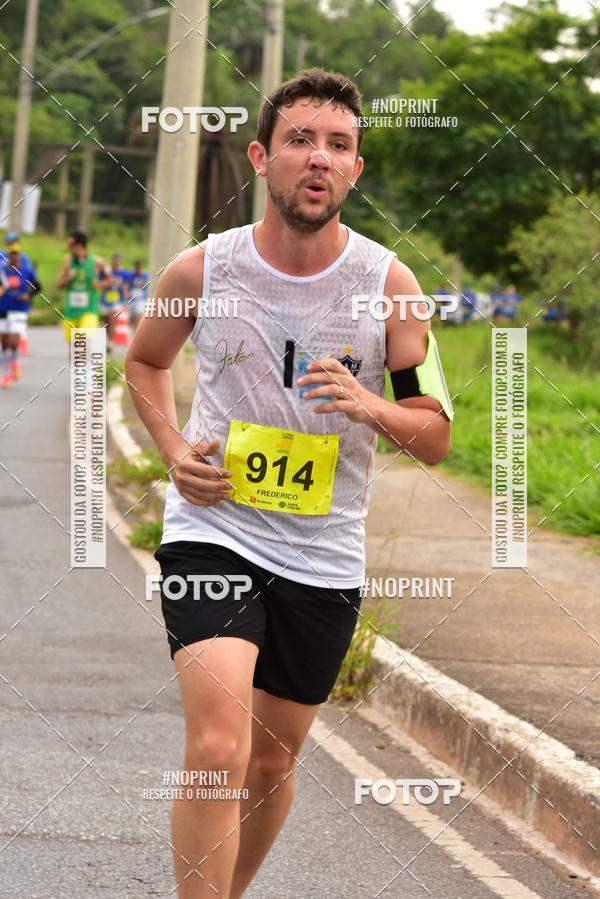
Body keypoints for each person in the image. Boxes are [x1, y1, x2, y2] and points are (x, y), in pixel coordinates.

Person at [125, 68, 453, 899]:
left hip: (323, 551)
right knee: (215, 747)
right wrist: (171, 447)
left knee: (272, 761)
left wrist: (370, 404)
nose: (320, 157)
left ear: (355, 171)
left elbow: (438, 436)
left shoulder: (392, 289)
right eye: (301, 139)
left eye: (339, 145)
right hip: (216, 528)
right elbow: (145, 363)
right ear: (261, 157)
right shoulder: (202, 270)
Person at [57, 231, 106, 351]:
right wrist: (68, 277)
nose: (68, 248)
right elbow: (59, 285)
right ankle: (77, 369)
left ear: (79, 245)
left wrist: (99, 283)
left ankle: (89, 369)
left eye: (70, 245)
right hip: (71, 312)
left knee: (83, 343)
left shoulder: (97, 262)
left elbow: (110, 279)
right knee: (73, 349)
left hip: (89, 310)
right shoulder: (67, 261)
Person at [0, 244, 35, 386]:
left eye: (16, 254)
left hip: (19, 311)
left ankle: (12, 365)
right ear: (8, 256)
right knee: (4, 343)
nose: (13, 256)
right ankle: (7, 373)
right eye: (11, 254)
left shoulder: (25, 271)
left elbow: (37, 286)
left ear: (19, 255)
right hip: (3, 309)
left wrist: (28, 294)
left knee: (13, 342)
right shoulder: (2, 272)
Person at [100, 252, 128, 351]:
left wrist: (126, 295)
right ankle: (109, 339)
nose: (116, 263)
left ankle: (111, 341)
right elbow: (99, 282)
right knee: (106, 321)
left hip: (117, 299)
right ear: (112, 261)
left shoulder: (123, 273)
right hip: (105, 299)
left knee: (113, 318)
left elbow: (126, 284)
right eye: (114, 261)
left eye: (118, 261)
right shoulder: (106, 271)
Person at [126, 259, 149, 332]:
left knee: (138, 315)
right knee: (131, 319)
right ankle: (134, 332)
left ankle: (137, 332)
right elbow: (126, 286)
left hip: (141, 300)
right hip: (131, 300)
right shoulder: (130, 276)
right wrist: (126, 294)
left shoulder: (145, 276)